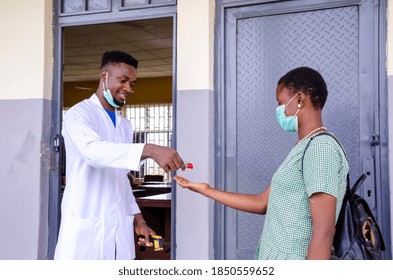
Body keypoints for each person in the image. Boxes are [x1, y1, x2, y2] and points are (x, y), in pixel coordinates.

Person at [174, 67, 349, 260]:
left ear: (299, 99)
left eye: (280, 103)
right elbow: (262, 202)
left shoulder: (320, 148)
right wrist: (205, 189)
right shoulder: (303, 147)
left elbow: (324, 232)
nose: (278, 111)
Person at [54, 50, 185, 260]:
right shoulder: (79, 114)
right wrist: (149, 149)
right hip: (86, 226)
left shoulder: (124, 124)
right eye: (123, 81)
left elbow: (120, 180)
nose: (128, 88)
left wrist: (139, 221)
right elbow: (92, 152)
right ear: (104, 76)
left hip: (117, 230)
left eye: (132, 84)